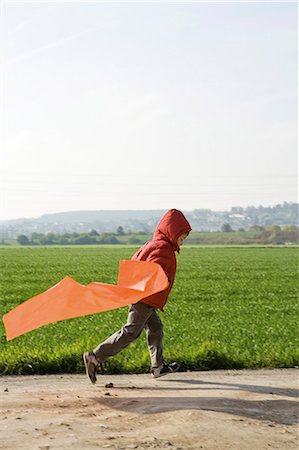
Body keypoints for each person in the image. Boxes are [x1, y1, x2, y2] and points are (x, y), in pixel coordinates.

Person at [83, 208, 192, 383]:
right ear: (173, 232)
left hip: (143, 297)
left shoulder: (153, 244)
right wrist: (161, 279)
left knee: (156, 328)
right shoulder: (164, 248)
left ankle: (158, 367)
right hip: (145, 298)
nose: (183, 242)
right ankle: (95, 357)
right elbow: (155, 269)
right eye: (182, 237)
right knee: (131, 332)